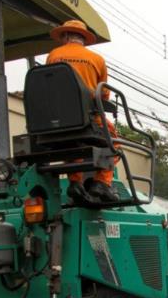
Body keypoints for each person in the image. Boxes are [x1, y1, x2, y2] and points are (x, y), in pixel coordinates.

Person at [47, 20, 119, 203]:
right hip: (88, 120)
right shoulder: (97, 59)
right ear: (83, 39)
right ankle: (102, 183)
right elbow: (104, 96)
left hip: (57, 120)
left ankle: (75, 183)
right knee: (115, 142)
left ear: (65, 36)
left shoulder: (53, 55)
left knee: (74, 145)